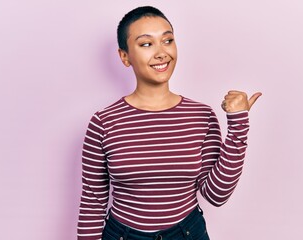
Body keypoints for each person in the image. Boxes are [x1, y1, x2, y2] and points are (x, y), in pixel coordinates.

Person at [77, 6, 261, 240]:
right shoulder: (103, 122)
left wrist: (238, 125)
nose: (161, 52)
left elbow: (217, 195)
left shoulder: (201, 116)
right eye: (146, 44)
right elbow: (92, 203)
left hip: (186, 232)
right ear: (125, 57)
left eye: (168, 40)